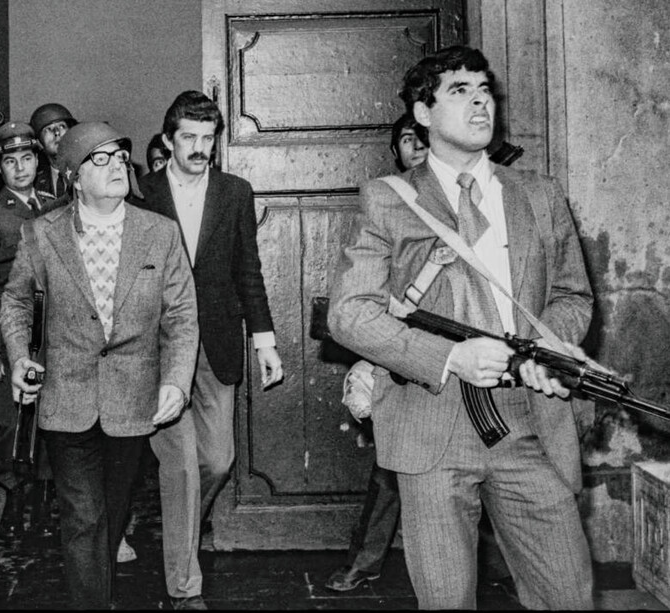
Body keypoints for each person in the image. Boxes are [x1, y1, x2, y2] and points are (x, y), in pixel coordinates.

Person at [328, 45, 595, 609]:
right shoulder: (388, 200)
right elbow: (349, 314)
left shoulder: (539, 195)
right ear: (423, 114)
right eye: (459, 91)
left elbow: (573, 295)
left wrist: (540, 352)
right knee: (447, 599)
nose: (479, 104)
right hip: (433, 422)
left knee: (568, 594)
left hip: (529, 420)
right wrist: (449, 358)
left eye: (484, 91)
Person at [0, 121, 198, 609]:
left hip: (132, 398)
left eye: (119, 155)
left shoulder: (160, 233)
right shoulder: (42, 233)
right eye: (99, 158)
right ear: (72, 175)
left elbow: (181, 315)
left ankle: (99, 591)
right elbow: (16, 301)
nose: (115, 166)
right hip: (67, 396)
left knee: (111, 511)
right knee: (84, 515)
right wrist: (20, 356)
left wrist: (175, 380)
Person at [324, 113, 511, 593]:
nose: (416, 149)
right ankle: (364, 562)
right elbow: (366, 308)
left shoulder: (470, 199)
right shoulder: (388, 207)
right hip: (407, 357)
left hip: (478, 359)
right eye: (407, 141)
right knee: (392, 469)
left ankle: (496, 566)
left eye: (422, 140)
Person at [134, 90, 284, 610]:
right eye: (190, 138)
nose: (201, 148)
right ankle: (184, 588)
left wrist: (264, 339)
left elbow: (249, 270)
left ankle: (179, 532)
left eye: (209, 138)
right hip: (158, 350)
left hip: (217, 343)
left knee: (218, 461)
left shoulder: (234, 192)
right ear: (169, 140)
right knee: (178, 467)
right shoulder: (142, 194)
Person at [0, 121, 57, 537]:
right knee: (11, 419)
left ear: (38, 161)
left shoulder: (55, 206)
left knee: (51, 416)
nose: (20, 168)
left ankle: (43, 499)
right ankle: (13, 499)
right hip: (10, 332)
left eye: (27, 158)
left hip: (54, 332)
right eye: (10, 161)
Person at [30, 103, 77, 199]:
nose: (57, 133)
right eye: (48, 129)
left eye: (62, 126)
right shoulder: (32, 180)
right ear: (39, 142)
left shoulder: (86, 172)